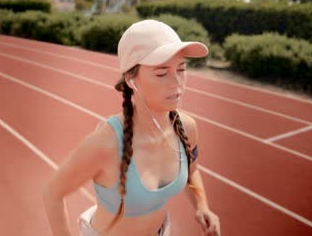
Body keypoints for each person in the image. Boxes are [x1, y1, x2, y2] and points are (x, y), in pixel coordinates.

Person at [43, 19, 221, 236]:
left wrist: (202, 205)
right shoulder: (105, 143)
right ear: (130, 79)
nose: (177, 82)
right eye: (161, 72)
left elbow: (192, 170)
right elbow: (52, 193)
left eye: (181, 69)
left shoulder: (187, 128)